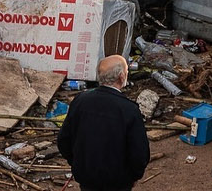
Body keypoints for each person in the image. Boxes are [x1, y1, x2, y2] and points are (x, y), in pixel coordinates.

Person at [57, 54, 151, 191]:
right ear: (121, 77)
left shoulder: (80, 101)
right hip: (118, 182)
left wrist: (78, 164)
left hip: (87, 178)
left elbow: (63, 140)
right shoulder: (129, 109)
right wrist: (133, 176)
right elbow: (140, 153)